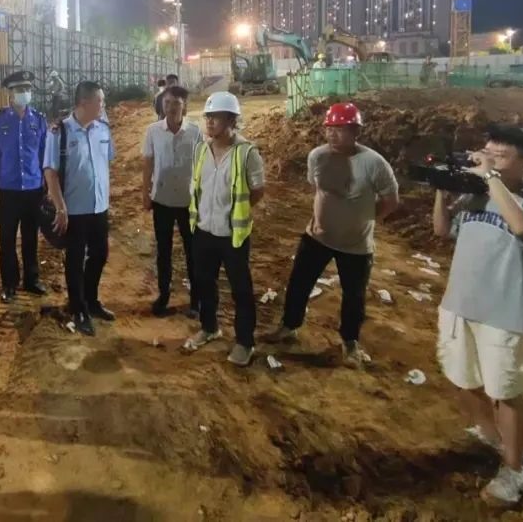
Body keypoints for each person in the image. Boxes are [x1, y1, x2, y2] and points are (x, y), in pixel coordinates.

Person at [433, 126, 523, 506]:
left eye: (500, 155)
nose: (488, 160)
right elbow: (441, 230)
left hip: (505, 313)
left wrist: (489, 177)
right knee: (465, 380)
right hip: (460, 304)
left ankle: (514, 470)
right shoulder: (476, 194)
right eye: (486, 152)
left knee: (507, 393)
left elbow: (522, 228)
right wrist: (442, 190)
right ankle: (493, 438)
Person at [267, 103, 400, 367]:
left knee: (354, 297)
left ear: (355, 131)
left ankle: (350, 342)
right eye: (329, 128)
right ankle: (289, 326)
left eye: (340, 129)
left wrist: (365, 218)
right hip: (317, 237)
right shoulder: (317, 156)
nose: (332, 134)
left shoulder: (374, 163)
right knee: (298, 284)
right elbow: (316, 188)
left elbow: (391, 200)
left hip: (356, 244)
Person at [183, 92, 265, 367]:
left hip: (232, 235)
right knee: (204, 283)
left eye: (215, 117)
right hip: (203, 231)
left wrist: (234, 213)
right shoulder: (201, 150)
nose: (209, 122)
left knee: (241, 289)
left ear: (231, 120)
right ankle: (209, 328)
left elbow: (257, 191)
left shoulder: (247, 153)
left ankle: (245, 342)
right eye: (207, 117)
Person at [44, 80, 115, 336]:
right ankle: (79, 309)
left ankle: (91, 300)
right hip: (73, 210)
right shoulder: (59, 132)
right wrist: (60, 207)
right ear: (84, 102)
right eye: (100, 101)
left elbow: (106, 162)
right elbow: (50, 172)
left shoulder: (103, 129)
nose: (103, 105)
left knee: (100, 254)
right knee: (74, 262)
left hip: (99, 206)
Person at [0, 70, 49, 303]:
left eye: (28, 89)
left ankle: (32, 280)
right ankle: (9, 284)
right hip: (7, 190)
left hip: (33, 188)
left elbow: (44, 155)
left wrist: (47, 184)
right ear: (10, 93)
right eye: (20, 89)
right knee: (7, 239)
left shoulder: (39, 120)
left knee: (31, 237)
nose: (25, 93)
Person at [142, 85, 201, 317]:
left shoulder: (195, 132)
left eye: (176, 103)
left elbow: (202, 165)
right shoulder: (153, 131)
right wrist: (145, 193)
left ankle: (196, 300)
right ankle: (164, 294)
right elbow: (148, 164)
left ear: (184, 106)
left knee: (193, 251)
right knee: (163, 250)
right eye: (167, 103)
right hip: (162, 200)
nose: (171, 107)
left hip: (188, 201)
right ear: (162, 105)